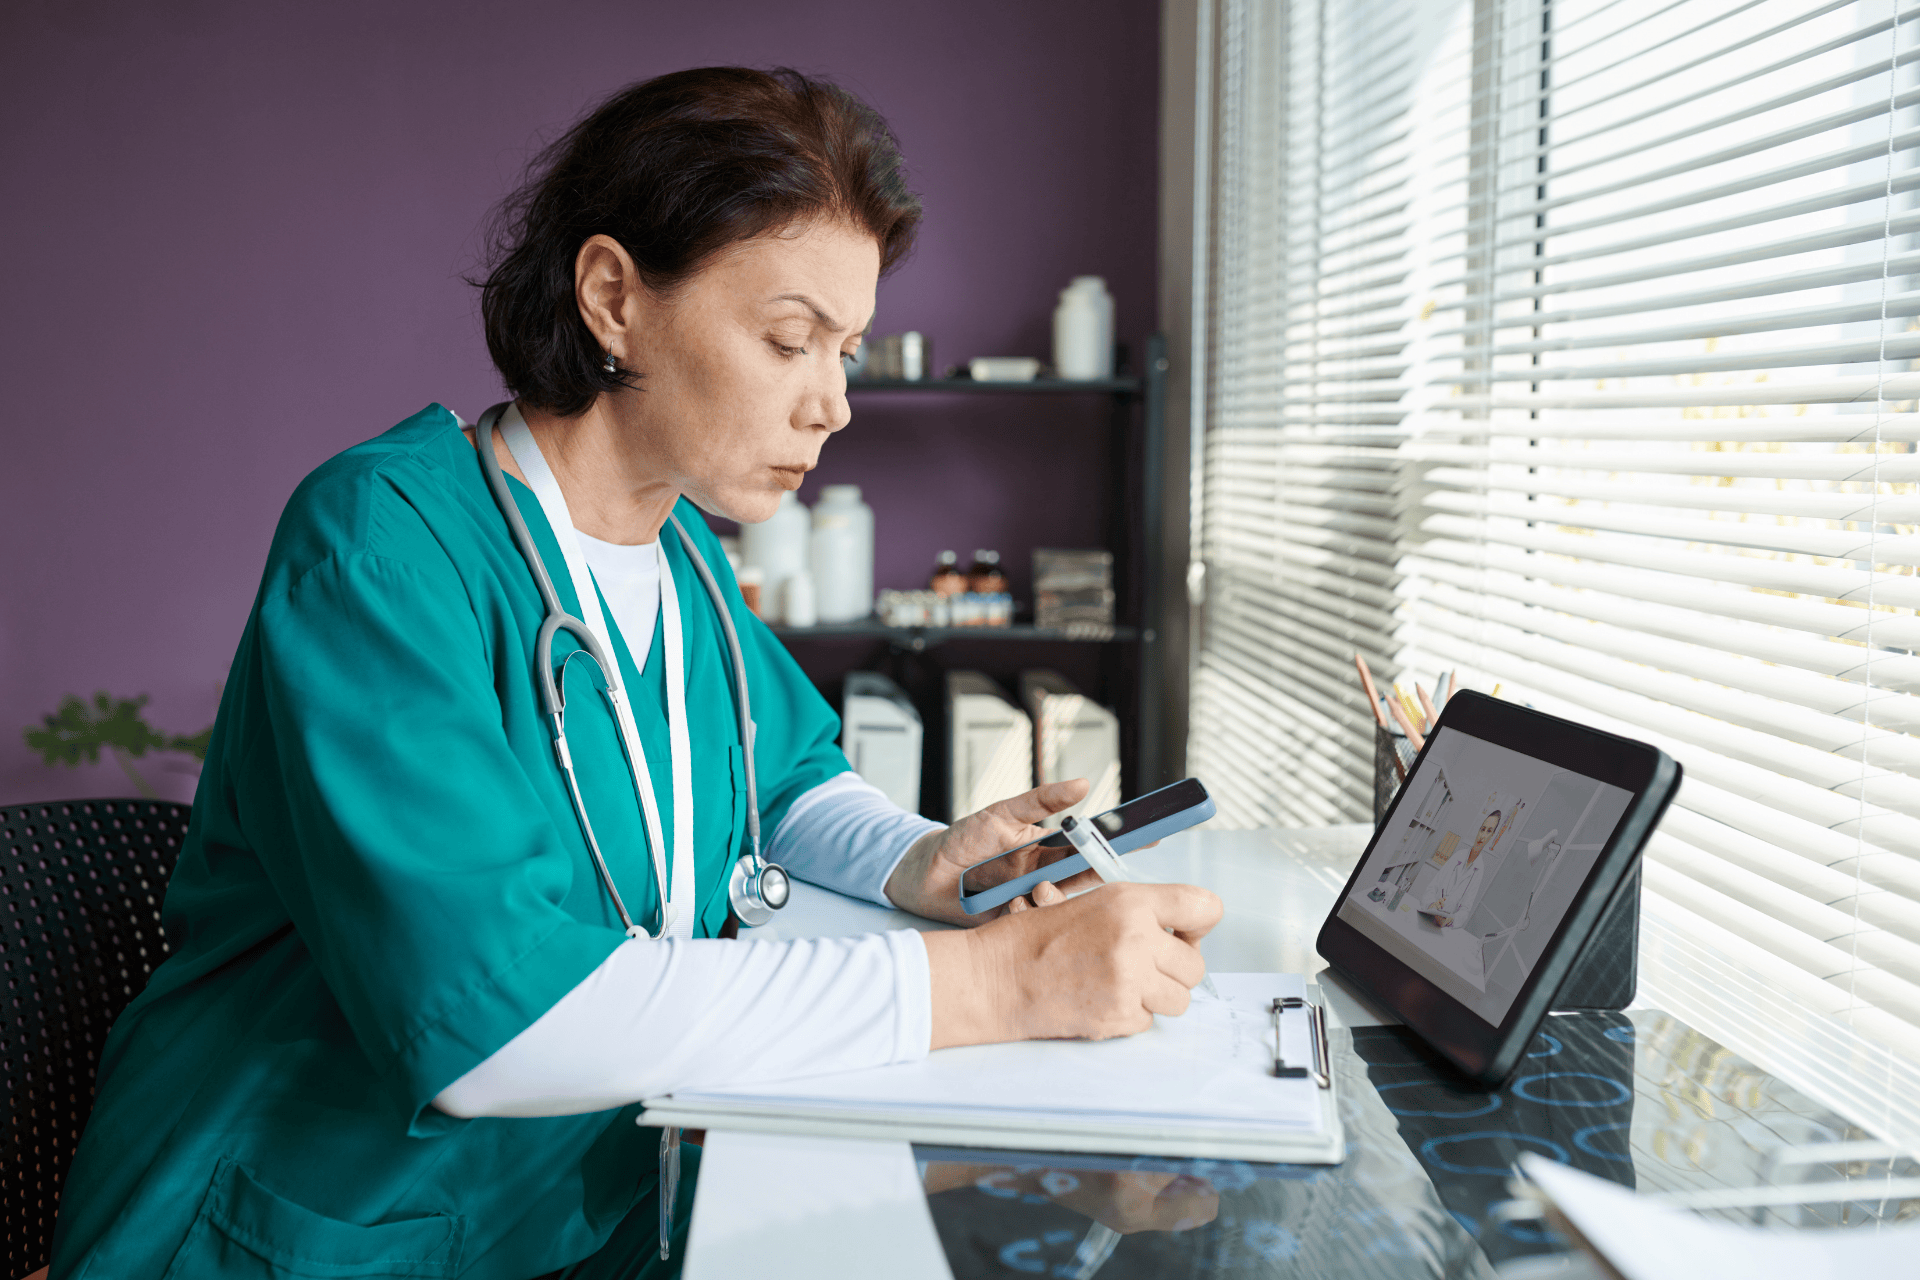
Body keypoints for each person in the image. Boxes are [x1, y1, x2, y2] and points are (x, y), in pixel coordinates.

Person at [50, 67, 1221, 1280]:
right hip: (301, 1230)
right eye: (788, 339)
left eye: (849, 349)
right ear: (614, 297)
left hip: (573, 1212)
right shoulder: (381, 548)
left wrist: (912, 856)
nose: (833, 402)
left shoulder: (679, 558)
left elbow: (785, 774)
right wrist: (989, 983)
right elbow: (492, 1025)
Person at [1421, 808, 1502, 929]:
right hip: (1428, 914)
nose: (1483, 836)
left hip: (1444, 926)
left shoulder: (1479, 870)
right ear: (1478, 830)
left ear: (1492, 836)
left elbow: (1465, 910)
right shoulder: (1458, 856)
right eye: (1482, 829)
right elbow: (1433, 886)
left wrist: (1451, 919)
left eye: (1489, 831)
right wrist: (1432, 904)